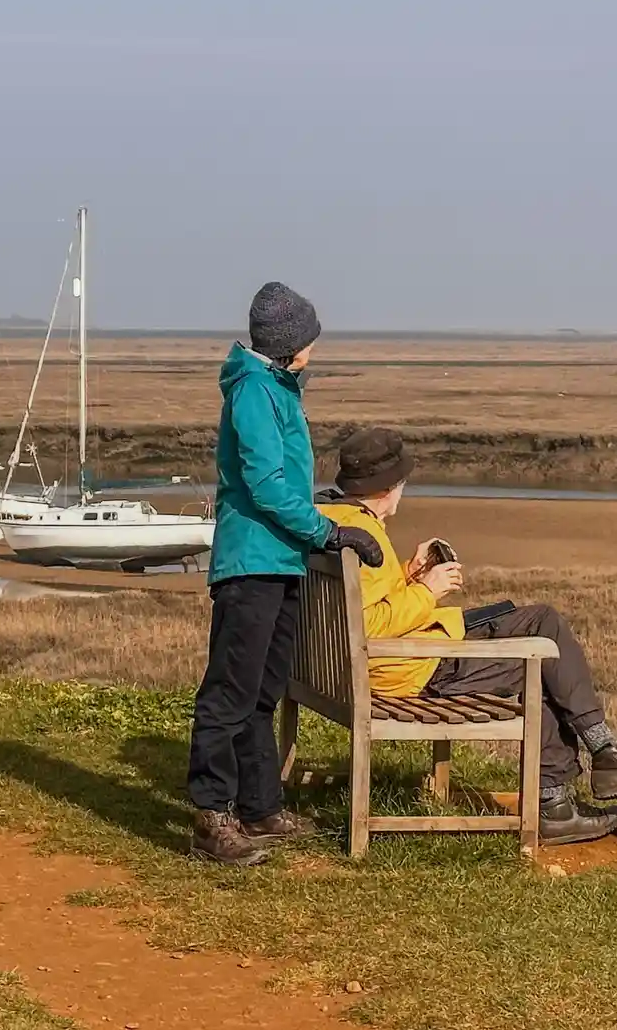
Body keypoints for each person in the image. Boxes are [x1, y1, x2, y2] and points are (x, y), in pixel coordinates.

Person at [314, 427, 617, 845]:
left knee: (538, 623)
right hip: (407, 670)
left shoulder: (333, 521)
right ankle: (570, 791)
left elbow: (359, 605)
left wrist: (408, 574)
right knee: (543, 655)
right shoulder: (365, 535)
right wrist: (428, 589)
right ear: (389, 487)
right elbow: (368, 627)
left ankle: (591, 772)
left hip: (385, 663)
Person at [186, 282, 386, 866]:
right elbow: (266, 486)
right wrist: (328, 531)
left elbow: (281, 481)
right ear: (289, 343)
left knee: (261, 691)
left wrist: (314, 513)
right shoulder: (254, 390)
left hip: (277, 560)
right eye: (310, 340)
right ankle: (210, 814)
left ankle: (259, 806)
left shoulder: (274, 387)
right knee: (229, 691)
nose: (314, 350)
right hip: (252, 561)